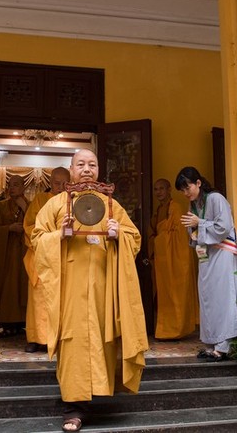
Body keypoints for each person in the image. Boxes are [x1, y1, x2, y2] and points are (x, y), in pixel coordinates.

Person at [31, 149, 148, 432]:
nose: (86, 169)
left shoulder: (110, 205)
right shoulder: (57, 204)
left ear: (98, 170)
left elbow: (134, 238)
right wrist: (61, 234)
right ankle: (73, 407)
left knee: (102, 338)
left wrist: (118, 233)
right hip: (69, 288)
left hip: (102, 289)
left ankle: (100, 394)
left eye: (92, 164)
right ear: (71, 169)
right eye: (80, 164)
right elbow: (37, 239)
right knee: (73, 342)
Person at [174, 167, 237, 362]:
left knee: (223, 298)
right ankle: (213, 343)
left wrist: (200, 222)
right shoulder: (194, 204)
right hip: (207, 254)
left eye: (187, 187)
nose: (185, 193)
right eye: (182, 190)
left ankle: (224, 347)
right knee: (208, 297)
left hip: (224, 252)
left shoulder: (216, 198)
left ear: (198, 183)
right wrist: (195, 227)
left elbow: (224, 227)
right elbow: (195, 231)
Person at [22, 167, 71, 353]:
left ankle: (59, 338)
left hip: (64, 256)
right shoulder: (40, 200)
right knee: (39, 299)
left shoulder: (72, 201)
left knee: (62, 299)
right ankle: (36, 338)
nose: (60, 187)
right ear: (50, 183)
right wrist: (52, 237)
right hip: (41, 256)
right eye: (56, 183)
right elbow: (29, 227)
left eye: (64, 183)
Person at [149, 178, 197, 339]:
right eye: (156, 189)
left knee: (176, 295)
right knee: (165, 296)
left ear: (169, 189)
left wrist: (158, 240)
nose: (158, 192)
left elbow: (179, 235)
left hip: (176, 259)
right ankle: (166, 330)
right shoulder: (160, 209)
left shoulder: (175, 207)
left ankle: (177, 330)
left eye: (161, 188)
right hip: (163, 260)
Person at [0, 174, 29, 338]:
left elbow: (37, 225)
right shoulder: (0, 207)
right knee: (7, 289)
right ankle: (6, 324)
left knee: (23, 288)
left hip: (24, 254)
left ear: (23, 188)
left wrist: (26, 210)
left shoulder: (31, 205)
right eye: (10, 185)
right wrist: (9, 228)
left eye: (17, 185)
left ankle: (23, 324)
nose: (13, 188)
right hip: (6, 254)